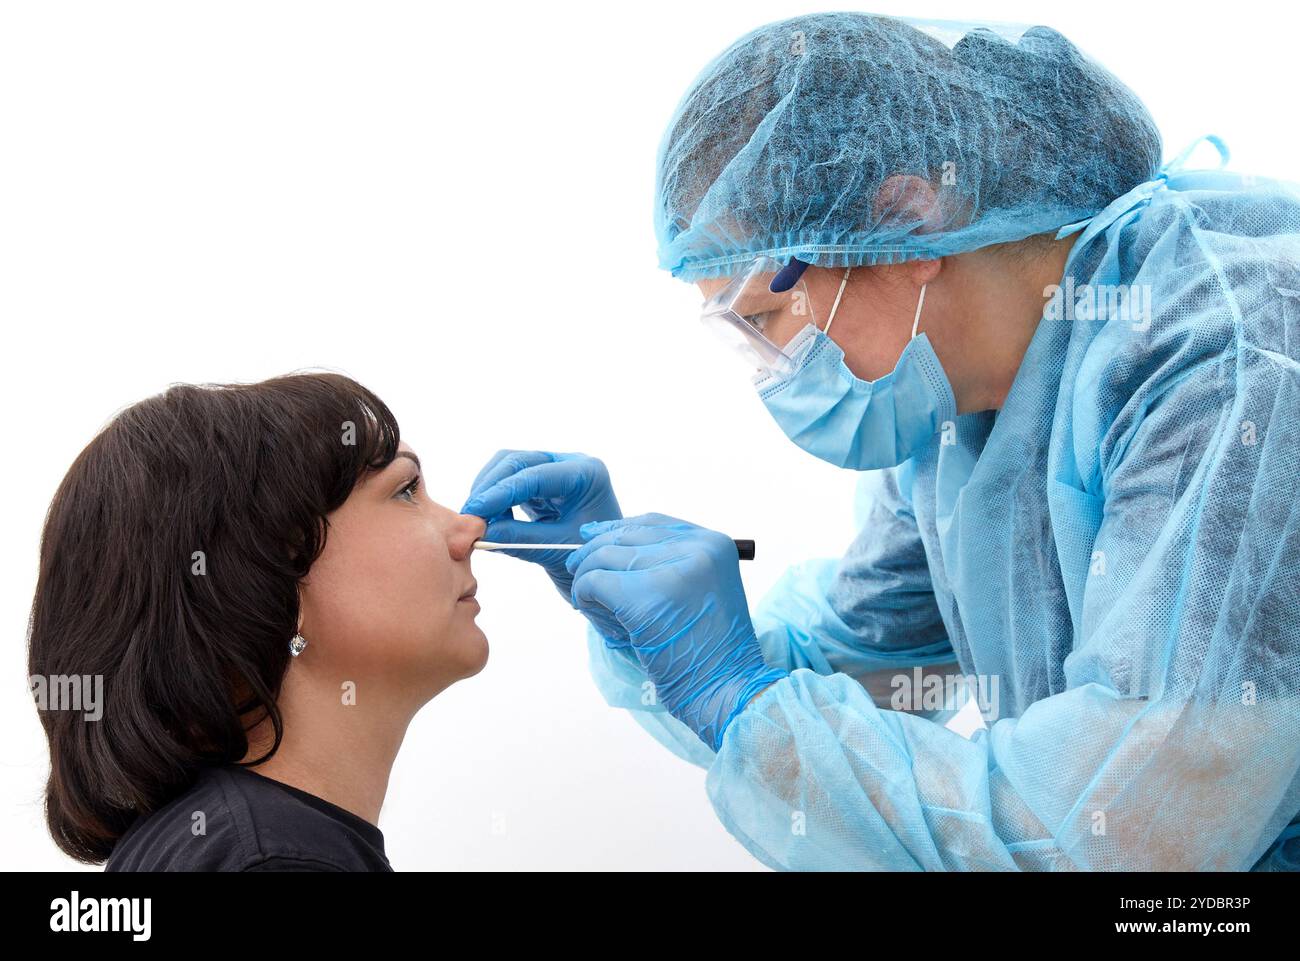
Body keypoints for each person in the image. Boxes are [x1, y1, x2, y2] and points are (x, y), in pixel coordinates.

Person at [461, 13, 1300, 870]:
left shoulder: (1227, 360)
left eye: (766, 318)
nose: (776, 372)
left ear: (907, 220)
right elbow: (866, 668)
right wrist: (661, 639)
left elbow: (1122, 836)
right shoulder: (951, 420)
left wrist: (738, 694)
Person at [27, 372, 487, 870]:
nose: (469, 530)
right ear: (273, 576)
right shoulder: (276, 859)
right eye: (405, 491)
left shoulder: (221, 844)